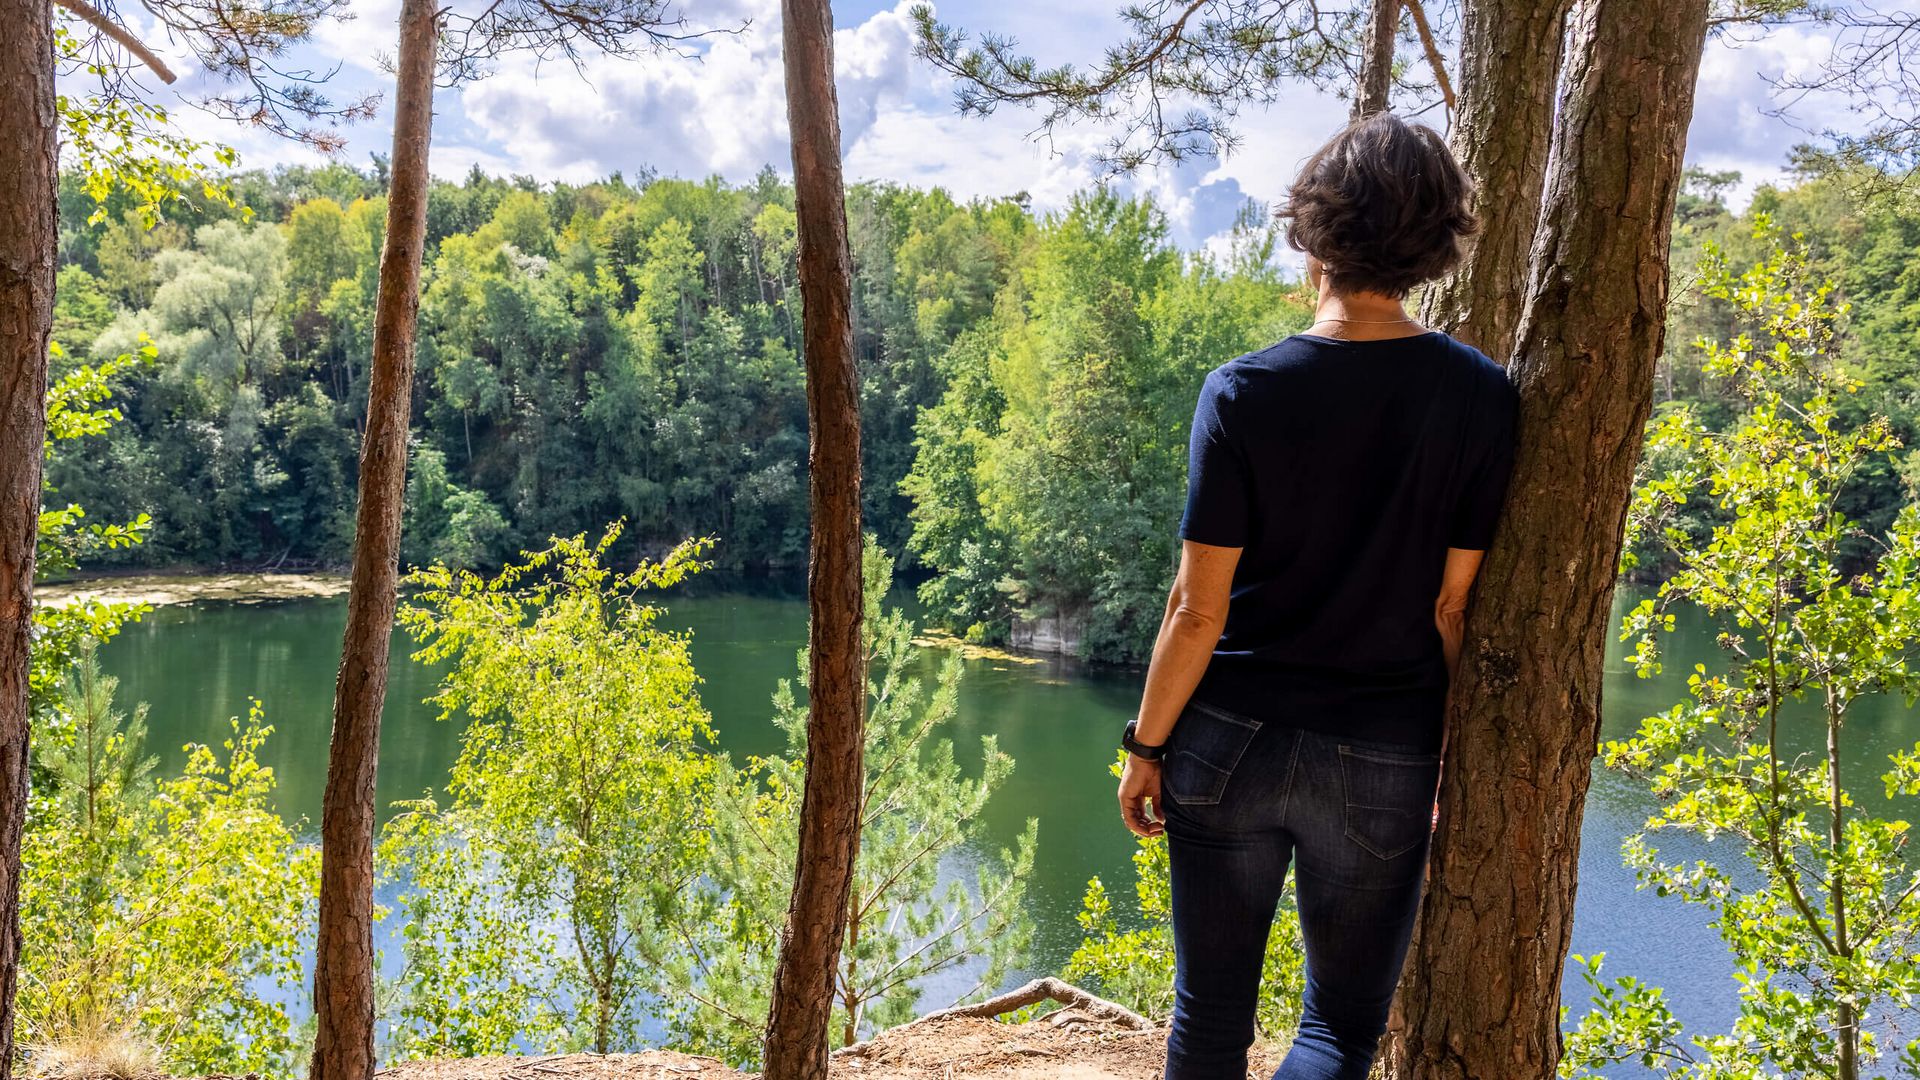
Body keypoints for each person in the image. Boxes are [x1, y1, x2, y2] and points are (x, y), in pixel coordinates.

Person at [1115, 112, 1518, 1080]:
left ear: (1314, 235)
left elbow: (1196, 611)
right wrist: (1449, 760)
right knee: (1339, 1032)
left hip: (1228, 744)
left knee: (1208, 1018)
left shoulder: (1241, 393)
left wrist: (1145, 747)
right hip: (1384, 754)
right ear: (1434, 243)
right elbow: (1453, 609)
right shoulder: (1482, 398)